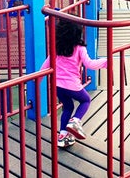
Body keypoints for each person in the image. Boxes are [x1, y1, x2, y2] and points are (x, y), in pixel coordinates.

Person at [40, 19, 107, 148]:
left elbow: (46, 64)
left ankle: (63, 136)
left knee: (68, 107)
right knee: (85, 100)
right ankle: (75, 121)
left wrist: (38, 78)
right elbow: (90, 64)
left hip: (57, 85)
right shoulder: (80, 48)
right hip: (72, 85)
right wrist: (105, 62)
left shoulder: (57, 47)